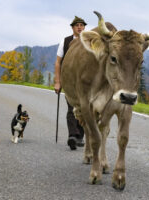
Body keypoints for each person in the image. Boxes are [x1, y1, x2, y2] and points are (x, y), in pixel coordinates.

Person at [54, 16, 87, 150]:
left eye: (81, 25)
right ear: (72, 28)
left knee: (85, 109)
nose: (79, 27)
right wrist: (58, 81)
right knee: (71, 108)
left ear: (84, 27)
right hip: (70, 81)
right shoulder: (66, 41)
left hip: (85, 82)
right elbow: (58, 62)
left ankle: (80, 136)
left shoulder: (89, 41)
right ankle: (72, 136)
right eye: (76, 25)